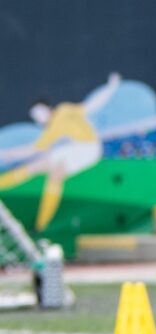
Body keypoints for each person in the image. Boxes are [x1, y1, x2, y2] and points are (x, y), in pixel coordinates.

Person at [0, 73, 121, 232]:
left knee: (56, 171)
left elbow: (91, 105)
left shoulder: (65, 110)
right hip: (75, 149)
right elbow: (32, 150)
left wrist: (112, 87)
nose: (38, 117)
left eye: (39, 112)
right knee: (35, 167)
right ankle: (39, 222)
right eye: (35, 116)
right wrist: (6, 153)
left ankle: (41, 225)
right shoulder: (50, 130)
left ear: (47, 108)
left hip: (90, 148)